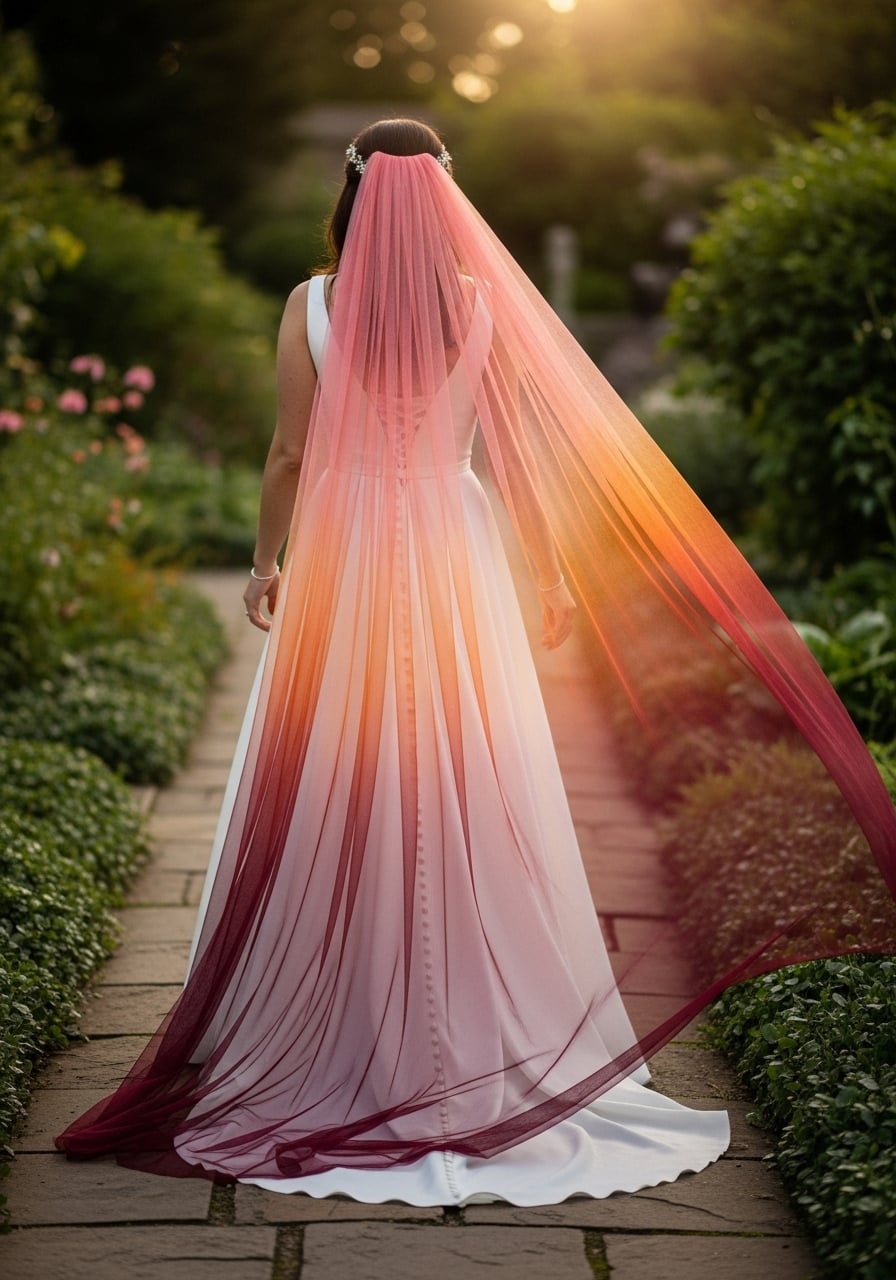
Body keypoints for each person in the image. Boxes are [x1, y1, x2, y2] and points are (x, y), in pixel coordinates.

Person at [56, 119, 896, 1204]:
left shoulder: (309, 306)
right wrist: (543, 572)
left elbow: (290, 452)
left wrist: (269, 560)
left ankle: (342, 1010)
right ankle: (463, 1014)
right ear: (443, 199)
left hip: (349, 547)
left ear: (351, 192)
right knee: (460, 760)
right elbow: (511, 453)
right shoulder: (481, 301)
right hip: (454, 547)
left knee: (339, 763)